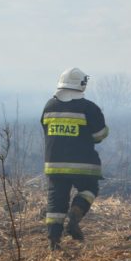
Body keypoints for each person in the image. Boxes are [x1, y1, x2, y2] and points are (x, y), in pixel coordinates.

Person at [41, 67, 109, 250]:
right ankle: (75, 215)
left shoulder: (49, 106)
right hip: (83, 165)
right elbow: (100, 135)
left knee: (56, 200)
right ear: (82, 85)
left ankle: (53, 241)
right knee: (89, 188)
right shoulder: (89, 108)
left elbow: (45, 129)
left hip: (54, 165)